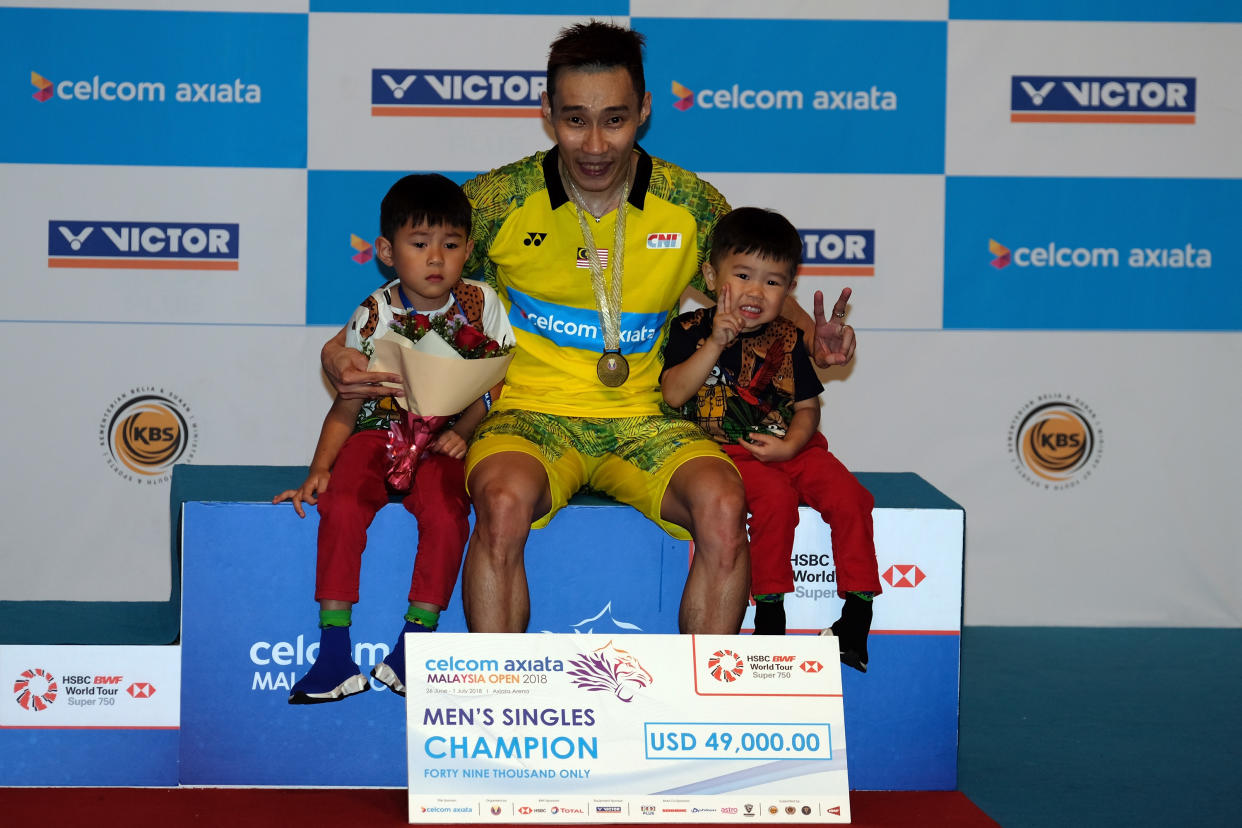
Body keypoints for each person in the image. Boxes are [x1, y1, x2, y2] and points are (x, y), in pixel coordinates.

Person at [318, 22, 858, 635]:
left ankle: (704, 706)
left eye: (616, 120)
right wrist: (338, 351)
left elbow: (755, 284)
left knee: (723, 505)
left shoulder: (689, 201)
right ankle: (497, 704)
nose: (595, 144)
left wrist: (814, 340)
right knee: (499, 503)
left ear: (646, 111)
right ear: (547, 111)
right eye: (576, 120)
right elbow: (412, 290)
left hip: (648, 416)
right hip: (528, 414)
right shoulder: (497, 200)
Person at [273, 174, 513, 703]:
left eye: (450, 246)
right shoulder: (373, 313)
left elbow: (497, 379)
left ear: (468, 251)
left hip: (443, 439)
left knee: (450, 514)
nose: (436, 259)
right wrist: (318, 470)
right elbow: (348, 401)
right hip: (377, 433)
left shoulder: (481, 304)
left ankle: (413, 648)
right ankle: (333, 653)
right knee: (339, 504)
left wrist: (465, 431)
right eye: (419, 244)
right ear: (386, 251)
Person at [661, 207, 880, 672]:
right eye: (742, 275)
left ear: (789, 289)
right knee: (775, 503)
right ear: (710, 275)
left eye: (774, 281)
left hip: (795, 447)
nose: (756, 292)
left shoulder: (788, 336)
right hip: (731, 454)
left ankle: (857, 616)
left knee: (852, 497)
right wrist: (715, 344)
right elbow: (675, 392)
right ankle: (770, 618)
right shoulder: (687, 330)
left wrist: (792, 446)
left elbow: (807, 407)